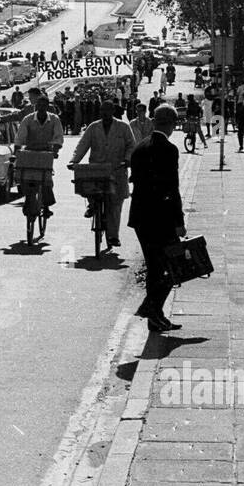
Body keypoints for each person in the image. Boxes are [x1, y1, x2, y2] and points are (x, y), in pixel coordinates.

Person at [128, 103, 186, 332]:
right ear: (172, 124)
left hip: (141, 217)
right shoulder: (169, 149)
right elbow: (172, 188)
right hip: (160, 218)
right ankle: (150, 308)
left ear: (154, 121)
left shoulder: (140, 147)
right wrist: (179, 222)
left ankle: (155, 315)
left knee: (155, 266)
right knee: (172, 265)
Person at [69, 100, 137, 250]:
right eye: (102, 111)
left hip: (117, 170)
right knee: (89, 188)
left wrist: (127, 160)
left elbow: (132, 145)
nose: (105, 113)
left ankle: (113, 236)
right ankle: (92, 205)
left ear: (113, 111)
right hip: (97, 169)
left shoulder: (123, 127)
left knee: (115, 204)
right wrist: (74, 161)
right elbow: (83, 145)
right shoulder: (93, 127)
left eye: (108, 110)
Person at [14, 94, 65, 221]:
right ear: (35, 106)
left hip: (46, 153)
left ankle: (46, 206)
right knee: (24, 177)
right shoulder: (28, 119)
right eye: (39, 105)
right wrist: (17, 150)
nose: (41, 108)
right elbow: (20, 137)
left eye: (44, 105)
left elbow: (58, 137)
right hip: (30, 151)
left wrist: (55, 150)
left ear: (48, 106)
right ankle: (28, 199)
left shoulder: (54, 119)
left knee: (46, 179)